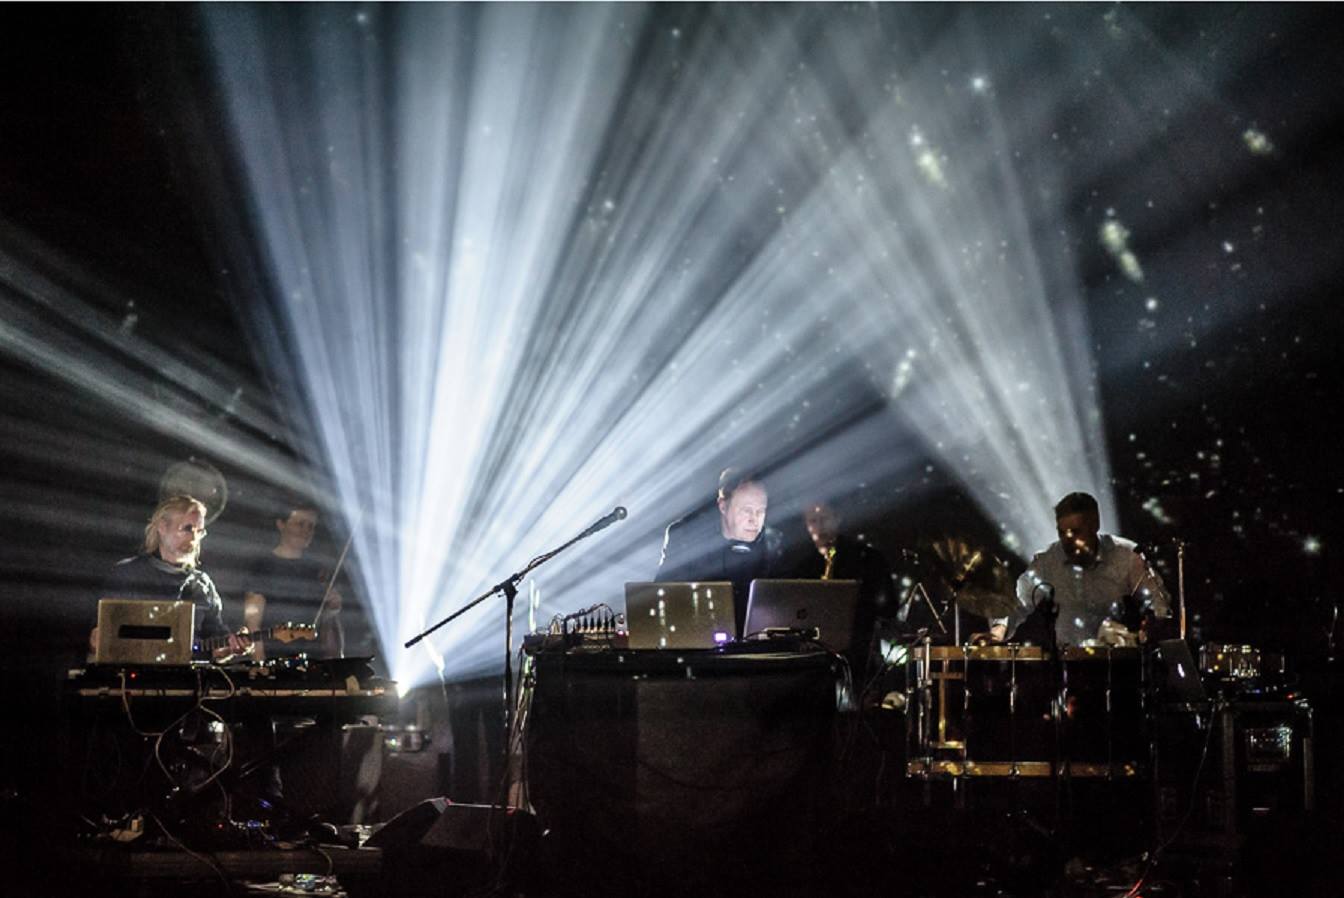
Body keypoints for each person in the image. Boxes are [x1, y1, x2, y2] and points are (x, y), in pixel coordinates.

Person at [989, 492, 1171, 646]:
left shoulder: (1127, 555)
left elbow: (1159, 604)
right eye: (1062, 533)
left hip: (1119, 667)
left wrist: (1146, 631)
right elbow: (1017, 601)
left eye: (1075, 532)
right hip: (1067, 668)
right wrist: (997, 632)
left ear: (1095, 525)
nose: (1068, 540)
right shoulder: (1048, 560)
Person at [94, 494, 249, 660]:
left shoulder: (202, 584)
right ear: (162, 527)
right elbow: (99, 637)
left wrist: (229, 649)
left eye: (200, 532)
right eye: (187, 529)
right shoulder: (128, 574)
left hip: (188, 682)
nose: (194, 539)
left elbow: (216, 642)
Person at [656, 467, 783, 637]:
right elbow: (661, 602)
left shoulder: (773, 543)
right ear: (723, 506)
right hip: (696, 646)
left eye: (761, 511)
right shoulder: (686, 538)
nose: (754, 520)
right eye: (746, 510)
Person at [793, 499, 894, 678]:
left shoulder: (866, 559)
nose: (819, 526)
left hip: (857, 657)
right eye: (813, 521)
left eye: (824, 519)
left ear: (837, 518)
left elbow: (887, 607)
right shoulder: (798, 563)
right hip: (811, 660)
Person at [242, 499, 342, 661]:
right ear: (281, 524)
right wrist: (261, 667)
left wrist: (333, 609)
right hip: (276, 662)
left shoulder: (318, 571)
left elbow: (328, 629)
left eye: (311, 527)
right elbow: (253, 625)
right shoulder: (262, 567)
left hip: (315, 664)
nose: (306, 531)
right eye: (300, 524)